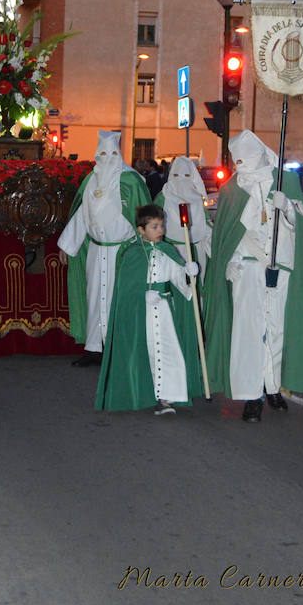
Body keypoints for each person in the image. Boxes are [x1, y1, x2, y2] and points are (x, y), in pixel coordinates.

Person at [204, 130, 303, 422]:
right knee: (248, 331)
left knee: (276, 328)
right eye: (239, 161)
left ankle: (272, 386)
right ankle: (251, 394)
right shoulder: (233, 188)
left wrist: (289, 208)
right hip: (246, 268)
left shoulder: (288, 181)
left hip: (279, 267)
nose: (244, 165)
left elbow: (302, 228)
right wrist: (231, 261)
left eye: (248, 159)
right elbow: (228, 231)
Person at [95, 204, 202, 414]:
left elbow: (179, 280)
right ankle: (150, 395)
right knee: (149, 353)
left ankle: (169, 396)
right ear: (141, 229)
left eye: (161, 225)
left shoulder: (168, 251)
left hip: (164, 313)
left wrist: (188, 274)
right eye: (154, 226)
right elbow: (124, 291)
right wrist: (142, 295)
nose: (160, 230)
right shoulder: (131, 254)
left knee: (169, 351)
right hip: (141, 315)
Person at [58, 130, 151, 366]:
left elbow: (143, 217)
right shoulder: (90, 181)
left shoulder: (130, 181)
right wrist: (68, 245)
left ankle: (117, 349)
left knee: (117, 299)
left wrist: (146, 250)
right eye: (102, 153)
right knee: (94, 297)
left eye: (111, 153)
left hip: (122, 252)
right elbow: (82, 215)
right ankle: (94, 349)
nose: (106, 158)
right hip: (96, 252)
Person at [154, 156, 212, 281]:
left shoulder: (198, 200)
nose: (181, 180)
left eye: (186, 175)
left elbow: (206, 225)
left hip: (196, 250)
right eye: (176, 175)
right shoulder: (163, 198)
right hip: (172, 251)